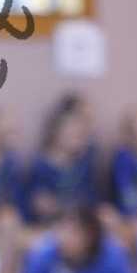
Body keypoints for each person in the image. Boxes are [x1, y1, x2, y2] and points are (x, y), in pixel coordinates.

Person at [21, 95, 99, 227]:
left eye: (82, 136)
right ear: (56, 133)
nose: (80, 139)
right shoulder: (41, 167)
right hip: (50, 226)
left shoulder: (85, 164)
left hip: (80, 223)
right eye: (74, 135)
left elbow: (92, 199)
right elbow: (38, 205)